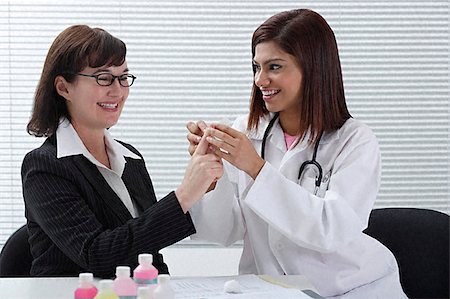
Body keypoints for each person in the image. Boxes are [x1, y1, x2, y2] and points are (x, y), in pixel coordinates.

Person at [186, 9, 407, 298]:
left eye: (274, 67)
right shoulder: (247, 131)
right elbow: (221, 232)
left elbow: (331, 230)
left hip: (350, 288)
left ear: (314, 68)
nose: (260, 80)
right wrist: (210, 177)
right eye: (256, 67)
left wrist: (256, 168)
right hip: (271, 289)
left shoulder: (354, 141)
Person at [22, 25, 223, 278]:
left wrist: (202, 186)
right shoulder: (44, 166)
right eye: (103, 78)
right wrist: (184, 194)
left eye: (123, 77)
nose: (117, 91)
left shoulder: (131, 158)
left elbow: (149, 252)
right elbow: (99, 256)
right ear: (64, 88)